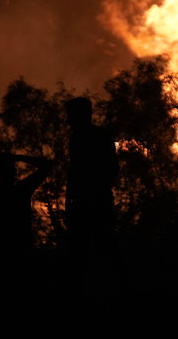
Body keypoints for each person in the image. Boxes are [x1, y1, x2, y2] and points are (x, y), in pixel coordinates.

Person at [64, 97, 119, 261]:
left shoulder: (98, 136)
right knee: (87, 250)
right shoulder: (77, 139)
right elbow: (73, 172)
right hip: (87, 202)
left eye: (71, 115)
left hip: (94, 201)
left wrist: (97, 191)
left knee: (98, 249)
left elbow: (112, 167)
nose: (68, 120)